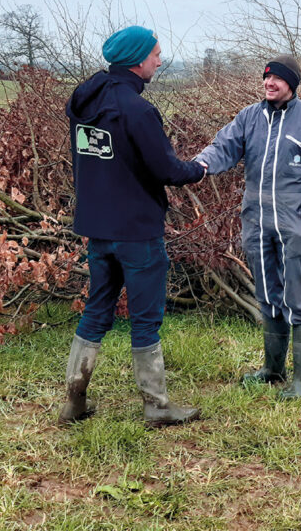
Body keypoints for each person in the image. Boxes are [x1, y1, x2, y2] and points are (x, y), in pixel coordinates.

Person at [60, 25, 206, 426]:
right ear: (139, 60)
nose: (160, 61)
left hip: (98, 227)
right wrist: (200, 168)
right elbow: (167, 170)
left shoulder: (84, 101)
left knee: (96, 310)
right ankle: (157, 407)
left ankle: (73, 401)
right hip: (137, 231)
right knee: (145, 318)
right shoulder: (137, 110)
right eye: (156, 54)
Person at [195, 55, 301, 399]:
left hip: (293, 221)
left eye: (277, 79)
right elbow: (224, 147)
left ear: (292, 84)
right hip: (256, 220)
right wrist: (198, 165)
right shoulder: (249, 118)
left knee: (297, 299)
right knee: (268, 295)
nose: (269, 84)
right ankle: (273, 370)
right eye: (266, 79)